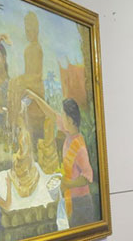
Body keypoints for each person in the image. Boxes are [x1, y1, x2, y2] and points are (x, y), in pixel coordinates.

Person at [25, 90, 94, 227]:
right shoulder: (68, 132)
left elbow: (88, 176)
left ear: (70, 120)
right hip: (71, 199)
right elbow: (51, 114)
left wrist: (67, 184)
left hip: (81, 203)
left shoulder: (79, 148)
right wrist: (35, 97)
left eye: (63, 114)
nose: (60, 117)